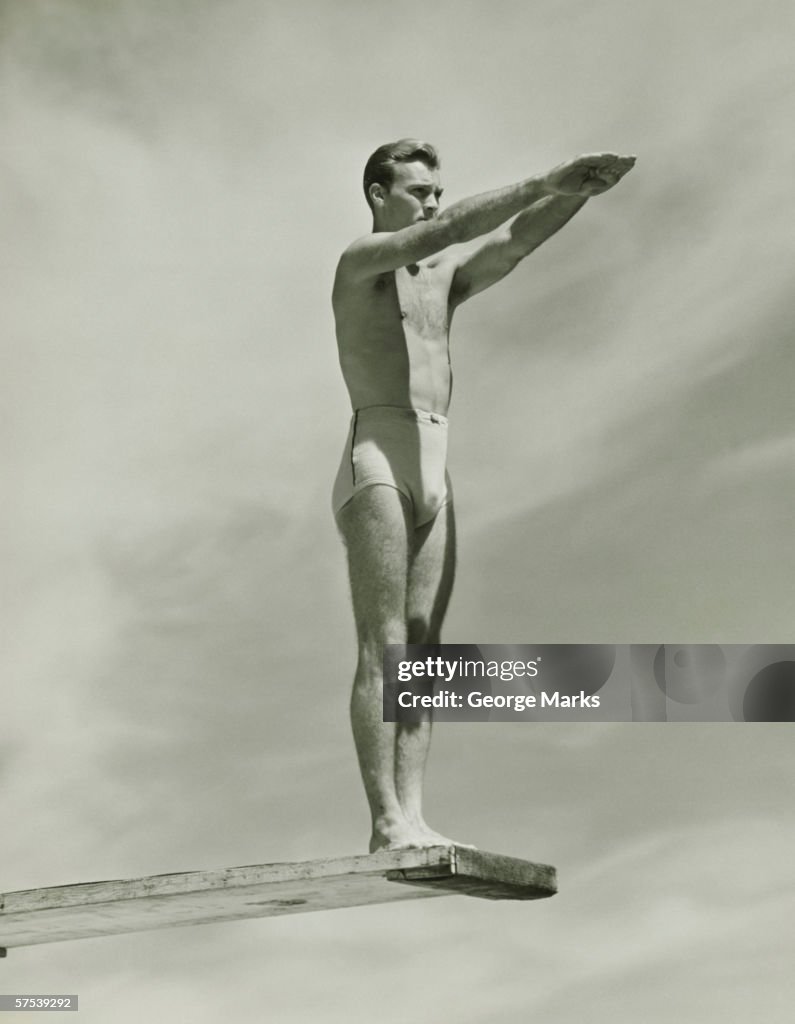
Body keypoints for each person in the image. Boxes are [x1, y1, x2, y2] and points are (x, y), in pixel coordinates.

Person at [331, 139, 636, 852]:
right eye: (415, 190)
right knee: (385, 645)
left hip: (436, 459)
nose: (430, 200)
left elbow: (513, 242)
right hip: (377, 454)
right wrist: (541, 178)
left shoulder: (438, 281)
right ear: (379, 195)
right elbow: (448, 231)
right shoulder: (360, 263)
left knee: (426, 651)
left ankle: (412, 813)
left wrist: (576, 193)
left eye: (436, 189)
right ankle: (383, 821)